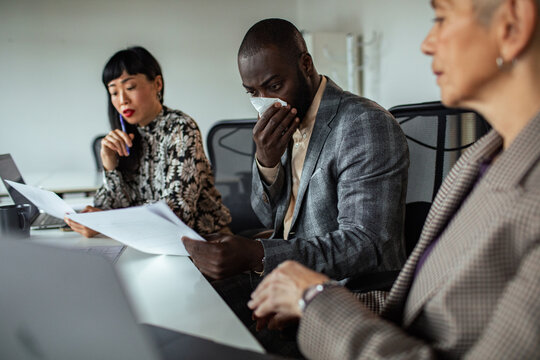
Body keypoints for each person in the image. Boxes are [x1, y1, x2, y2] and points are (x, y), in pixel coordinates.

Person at [248, 0, 540, 358]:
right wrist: (308, 306)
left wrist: (314, 300)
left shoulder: (362, 123)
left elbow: (369, 246)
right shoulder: (481, 159)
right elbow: (417, 301)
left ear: (513, 24)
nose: (426, 43)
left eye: (442, 18)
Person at [182, 18, 409, 353]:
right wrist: (267, 161)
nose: (265, 103)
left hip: (339, 296)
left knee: (214, 344)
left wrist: (258, 255)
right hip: (282, 278)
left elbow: (367, 244)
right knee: (190, 310)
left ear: (306, 65)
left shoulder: (363, 124)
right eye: (253, 93)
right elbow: (265, 213)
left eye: (274, 86)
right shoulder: (283, 124)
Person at [65, 46, 231, 237]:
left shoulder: (181, 128)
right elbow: (106, 205)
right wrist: (110, 166)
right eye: (114, 93)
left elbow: (178, 213)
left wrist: (109, 222)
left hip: (205, 244)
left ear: (157, 84)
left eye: (130, 88)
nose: (123, 100)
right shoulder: (125, 136)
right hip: (149, 242)